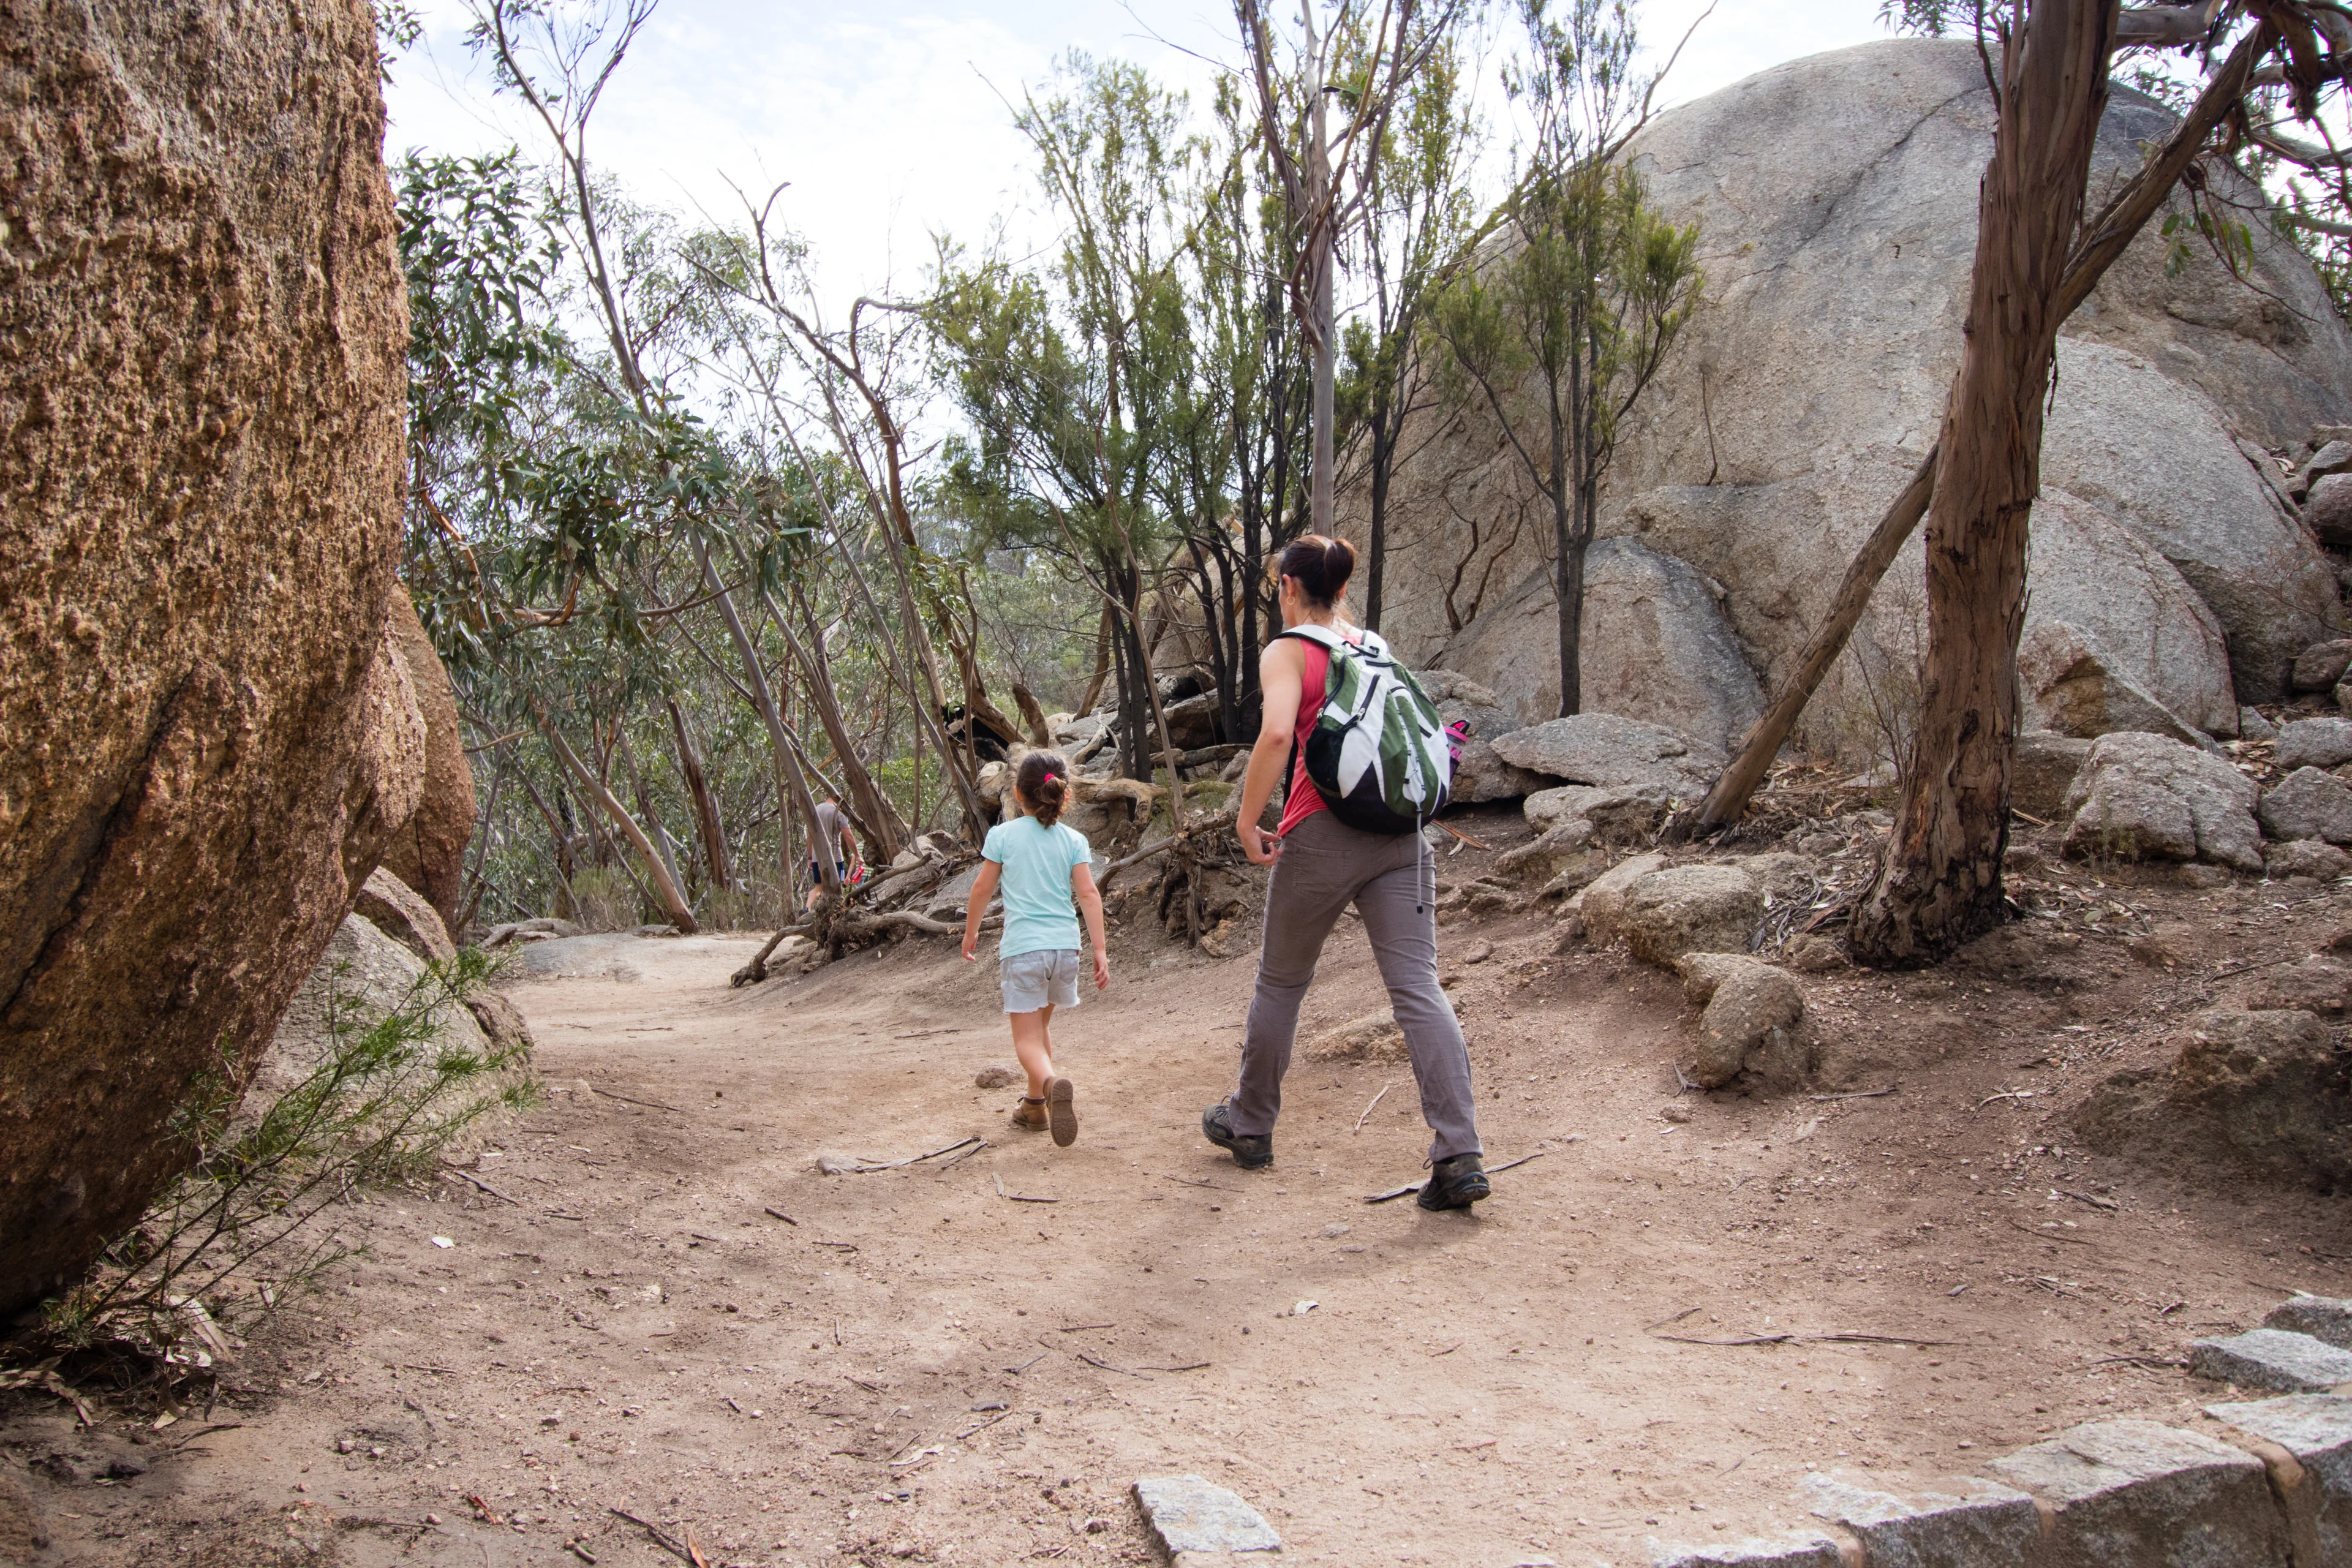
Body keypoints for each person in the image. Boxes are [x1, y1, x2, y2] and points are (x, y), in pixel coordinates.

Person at [1200, 535, 1489, 1210]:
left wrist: (1247, 820)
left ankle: (1251, 1124)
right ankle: (1460, 1151)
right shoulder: (1373, 646)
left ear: (1288, 588)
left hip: (1322, 835)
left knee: (1281, 982)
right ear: (1341, 588)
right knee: (1419, 988)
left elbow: (1276, 736)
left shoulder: (1288, 649)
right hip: (1401, 832)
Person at [961, 751, 1109, 1147]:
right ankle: (1035, 1105)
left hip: (1025, 950)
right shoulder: (1074, 840)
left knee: (1026, 1041)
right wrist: (1100, 950)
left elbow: (981, 888)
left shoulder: (1003, 836)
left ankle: (1050, 1082)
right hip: (1065, 949)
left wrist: (970, 931)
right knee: (1040, 1028)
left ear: (1016, 794)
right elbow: (1089, 894)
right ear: (1065, 797)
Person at [806, 794, 862, 911]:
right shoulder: (839, 812)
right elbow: (848, 836)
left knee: (819, 888)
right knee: (838, 885)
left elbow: (809, 837)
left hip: (817, 858)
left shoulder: (816, 810)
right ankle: (834, 913)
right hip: (835, 859)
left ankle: (807, 908)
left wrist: (810, 858)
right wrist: (857, 854)